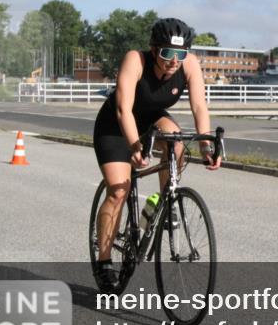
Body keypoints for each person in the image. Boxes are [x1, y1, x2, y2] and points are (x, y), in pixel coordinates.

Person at [91, 18, 222, 289]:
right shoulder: (135, 60)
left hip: (152, 119)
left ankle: (167, 202)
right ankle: (104, 261)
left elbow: (199, 107)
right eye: (167, 54)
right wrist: (134, 146)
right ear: (154, 51)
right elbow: (122, 110)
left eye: (180, 54)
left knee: (176, 144)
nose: (174, 61)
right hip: (116, 126)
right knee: (118, 190)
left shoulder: (190, 64)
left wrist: (206, 146)